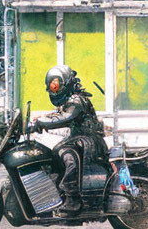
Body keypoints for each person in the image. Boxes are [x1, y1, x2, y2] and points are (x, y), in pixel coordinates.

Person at [26, 65, 107, 214]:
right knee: (54, 153)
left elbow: (66, 117)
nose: (53, 90)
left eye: (55, 86)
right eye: (51, 87)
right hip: (80, 138)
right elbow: (59, 115)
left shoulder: (77, 100)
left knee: (68, 155)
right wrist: (40, 119)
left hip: (89, 141)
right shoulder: (70, 101)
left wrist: (41, 123)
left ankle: (73, 199)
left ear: (65, 83)